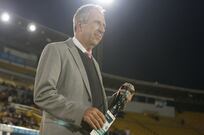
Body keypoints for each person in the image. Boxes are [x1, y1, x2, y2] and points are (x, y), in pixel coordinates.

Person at [34, 4, 134, 135]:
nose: (102, 30)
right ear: (80, 25)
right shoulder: (56, 50)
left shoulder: (95, 64)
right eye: (97, 23)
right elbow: (42, 94)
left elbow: (95, 106)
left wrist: (118, 98)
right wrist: (81, 112)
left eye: (104, 26)